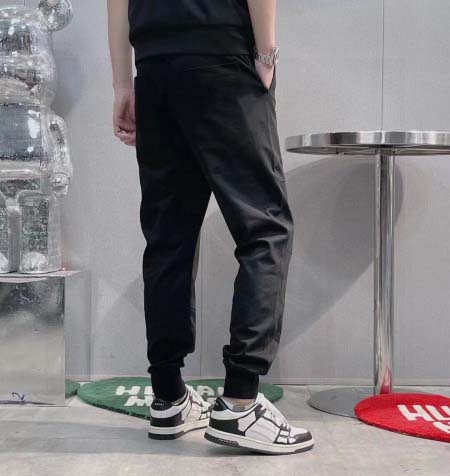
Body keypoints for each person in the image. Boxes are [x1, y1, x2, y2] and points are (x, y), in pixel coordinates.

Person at [107, 0, 314, 455]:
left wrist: (124, 83)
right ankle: (241, 402)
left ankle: (169, 397)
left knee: (168, 236)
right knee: (264, 227)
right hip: (222, 53)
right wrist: (266, 53)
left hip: (154, 66)